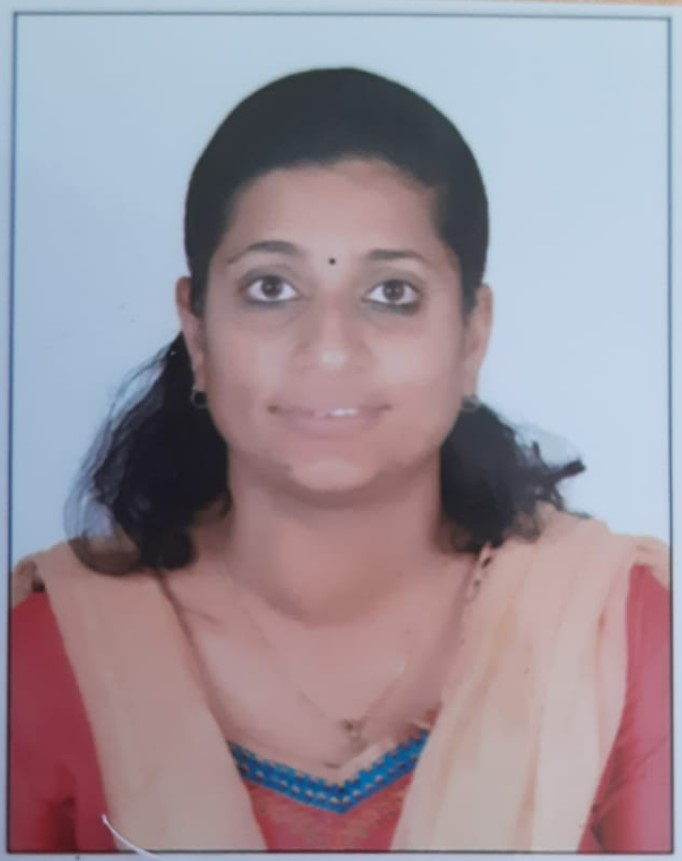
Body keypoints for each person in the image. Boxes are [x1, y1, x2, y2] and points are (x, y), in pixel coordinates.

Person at [9, 67, 670, 853]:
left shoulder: (616, 635)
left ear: (472, 334)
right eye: (270, 288)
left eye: (391, 293)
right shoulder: (50, 651)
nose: (328, 350)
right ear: (197, 329)